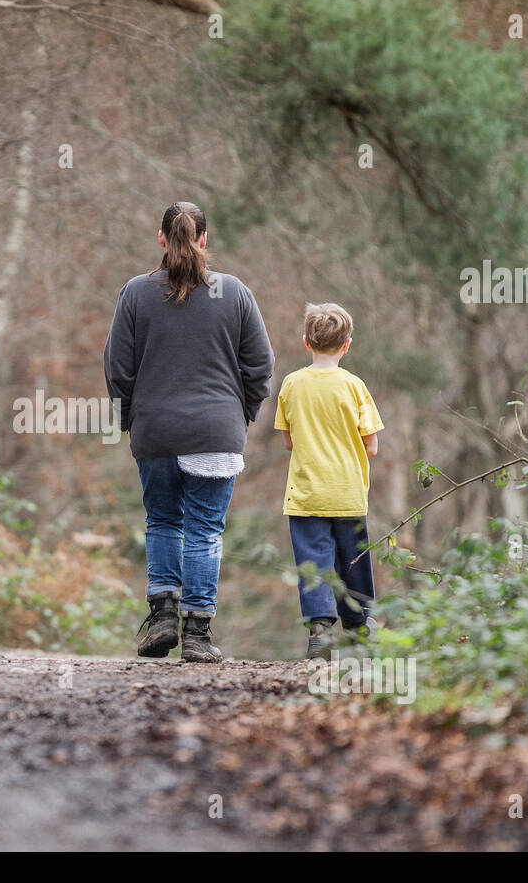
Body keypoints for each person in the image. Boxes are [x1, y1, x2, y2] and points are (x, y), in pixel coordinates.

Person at [104, 201, 275, 663]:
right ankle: (197, 632)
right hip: (217, 431)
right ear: (204, 240)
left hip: (156, 429)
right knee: (204, 530)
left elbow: (118, 368)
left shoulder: (136, 293)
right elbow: (262, 365)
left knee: (162, 520)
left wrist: (130, 419)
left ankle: (161, 615)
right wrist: (242, 413)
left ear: (161, 239)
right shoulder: (234, 292)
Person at [274, 302, 384, 658]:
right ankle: (359, 626)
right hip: (348, 491)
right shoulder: (355, 387)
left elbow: (289, 441)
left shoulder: (291, 384)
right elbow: (372, 446)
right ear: (347, 344)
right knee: (353, 559)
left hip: (307, 494)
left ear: (306, 342)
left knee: (314, 560)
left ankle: (319, 629)